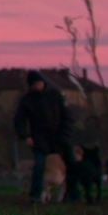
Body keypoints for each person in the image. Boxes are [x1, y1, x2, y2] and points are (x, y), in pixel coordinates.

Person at [14, 70, 78, 203]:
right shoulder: (27, 100)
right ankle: (35, 195)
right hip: (40, 138)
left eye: (38, 83)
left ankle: (73, 194)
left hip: (59, 136)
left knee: (71, 165)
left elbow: (68, 117)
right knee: (39, 165)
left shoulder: (56, 95)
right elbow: (19, 120)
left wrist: (65, 135)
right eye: (34, 84)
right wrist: (25, 136)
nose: (37, 86)